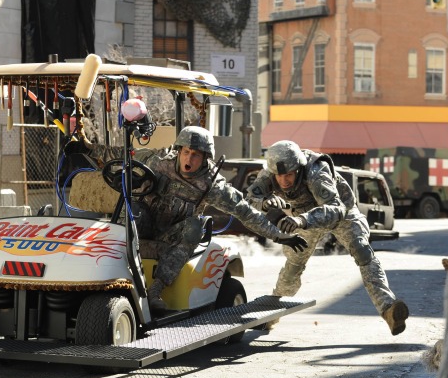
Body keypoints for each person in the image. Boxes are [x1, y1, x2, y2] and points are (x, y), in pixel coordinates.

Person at [66, 126, 308, 312]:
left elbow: (245, 212)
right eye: (186, 152)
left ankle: (155, 291)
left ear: (206, 158)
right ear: (179, 151)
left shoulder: (212, 184)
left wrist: (279, 235)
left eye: (196, 155)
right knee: (134, 208)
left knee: (196, 226)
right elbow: (121, 155)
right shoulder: (158, 161)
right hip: (144, 225)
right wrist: (87, 149)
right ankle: (105, 278)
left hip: (174, 239)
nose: (189, 160)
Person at [246, 140, 409, 335]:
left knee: (361, 249)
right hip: (303, 218)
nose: (284, 181)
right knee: (293, 267)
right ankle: (271, 314)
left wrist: (301, 220)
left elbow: (335, 209)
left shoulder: (316, 171)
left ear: (298, 168)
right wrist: (264, 202)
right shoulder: (271, 171)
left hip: (341, 212)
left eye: (289, 175)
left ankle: (388, 309)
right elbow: (248, 199)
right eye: (279, 176)